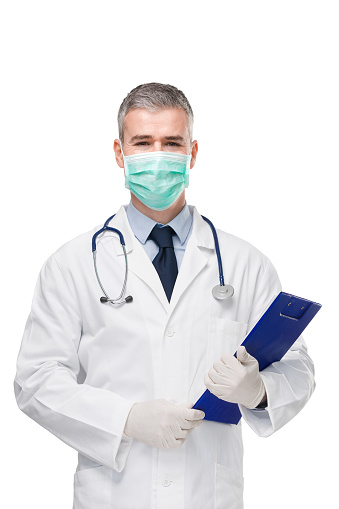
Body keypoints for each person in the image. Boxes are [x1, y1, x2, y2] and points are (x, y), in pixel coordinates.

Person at [14, 83, 315, 509]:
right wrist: (126, 420)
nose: (158, 155)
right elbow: (36, 380)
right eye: (143, 142)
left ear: (192, 153)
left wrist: (258, 391)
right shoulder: (73, 264)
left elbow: (299, 369)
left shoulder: (245, 263)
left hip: (206, 496)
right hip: (115, 495)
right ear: (120, 153)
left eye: (172, 142)